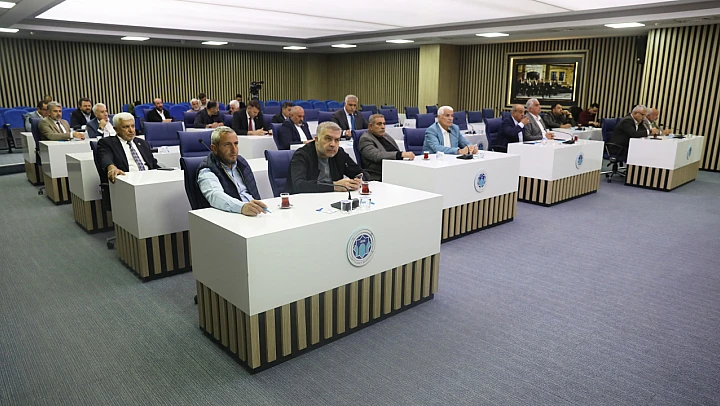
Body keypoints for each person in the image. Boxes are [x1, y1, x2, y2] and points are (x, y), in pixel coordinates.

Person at [196, 126, 267, 216]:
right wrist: (242, 207)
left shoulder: (241, 163)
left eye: (236, 144)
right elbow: (215, 196)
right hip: (233, 216)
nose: (234, 149)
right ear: (214, 148)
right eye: (227, 145)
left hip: (255, 213)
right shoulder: (207, 170)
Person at [288, 121, 365, 194]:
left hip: (334, 198)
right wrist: (335, 186)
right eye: (328, 139)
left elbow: (360, 173)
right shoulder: (301, 155)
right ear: (317, 140)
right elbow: (299, 185)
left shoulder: (339, 153)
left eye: (337, 140)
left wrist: (358, 180)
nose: (333, 144)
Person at [97, 113, 158, 183]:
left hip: (149, 180)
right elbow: (106, 159)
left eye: (133, 126)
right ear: (116, 129)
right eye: (126, 127)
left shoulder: (143, 143)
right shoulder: (107, 143)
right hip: (127, 182)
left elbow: (154, 165)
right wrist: (112, 168)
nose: (131, 130)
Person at [359, 114, 414, 181]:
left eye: (384, 124)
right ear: (370, 126)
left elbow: (395, 149)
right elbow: (376, 155)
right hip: (379, 173)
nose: (383, 127)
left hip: (395, 168)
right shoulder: (365, 139)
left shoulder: (385, 136)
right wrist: (399, 155)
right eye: (379, 124)